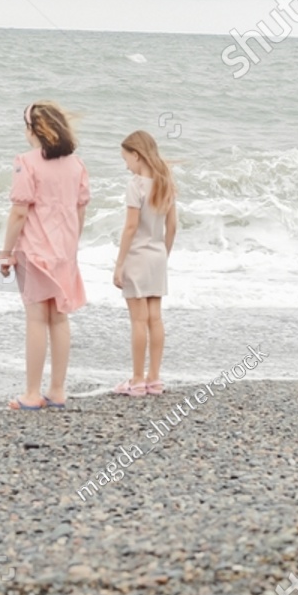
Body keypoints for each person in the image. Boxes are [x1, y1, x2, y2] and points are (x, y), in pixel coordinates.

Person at [0, 102, 90, 410]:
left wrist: (5, 252)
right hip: (65, 250)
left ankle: (32, 393)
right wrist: (71, 245)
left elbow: (19, 213)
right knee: (59, 319)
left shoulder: (25, 162)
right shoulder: (76, 164)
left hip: (34, 251)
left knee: (36, 319)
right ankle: (58, 390)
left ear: (33, 131)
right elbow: (80, 209)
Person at [111, 129, 177, 396]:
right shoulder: (165, 183)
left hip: (137, 255)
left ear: (136, 155)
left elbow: (130, 227)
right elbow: (172, 226)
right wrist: (164, 253)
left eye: (126, 159)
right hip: (157, 254)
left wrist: (119, 264)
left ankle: (137, 380)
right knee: (155, 319)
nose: (126, 165)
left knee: (138, 321)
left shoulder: (136, 185)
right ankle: (155, 378)